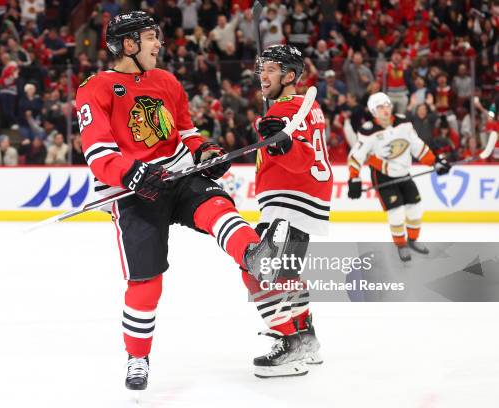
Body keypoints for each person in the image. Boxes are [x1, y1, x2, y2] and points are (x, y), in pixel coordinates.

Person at [75, 11, 292, 391]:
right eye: (149, 37)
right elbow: (98, 153)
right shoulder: (95, 88)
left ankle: (256, 254)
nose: (158, 43)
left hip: (178, 175)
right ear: (128, 44)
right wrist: (133, 174)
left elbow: (187, 133)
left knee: (219, 210)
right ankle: (138, 357)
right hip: (134, 192)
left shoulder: (166, 81)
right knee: (146, 281)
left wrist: (206, 152)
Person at [242, 44, 333, 379]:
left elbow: (303, 158)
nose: (262, 75)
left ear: (290, 76)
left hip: (290, 202)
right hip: (298, 205)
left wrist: (284, 142)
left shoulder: (287, 111)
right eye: (261, 68)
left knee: (255, 269)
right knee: (286, 276)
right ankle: (307, 340)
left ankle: (289, 342)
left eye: (271, 69)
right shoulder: (298, 108)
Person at [347, 92, 452, 261]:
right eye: (380, 107)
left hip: (404, 173)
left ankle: (412, 240)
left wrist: (435, 162)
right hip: (383, 176)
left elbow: (417, 146)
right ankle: (401, 245)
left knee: (415, 208)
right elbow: (356, 156)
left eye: (387, 105)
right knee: (395, 212)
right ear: (374, 111)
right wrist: (354, 178)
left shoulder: (404, 123)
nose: (385, 109)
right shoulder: (368, 131)